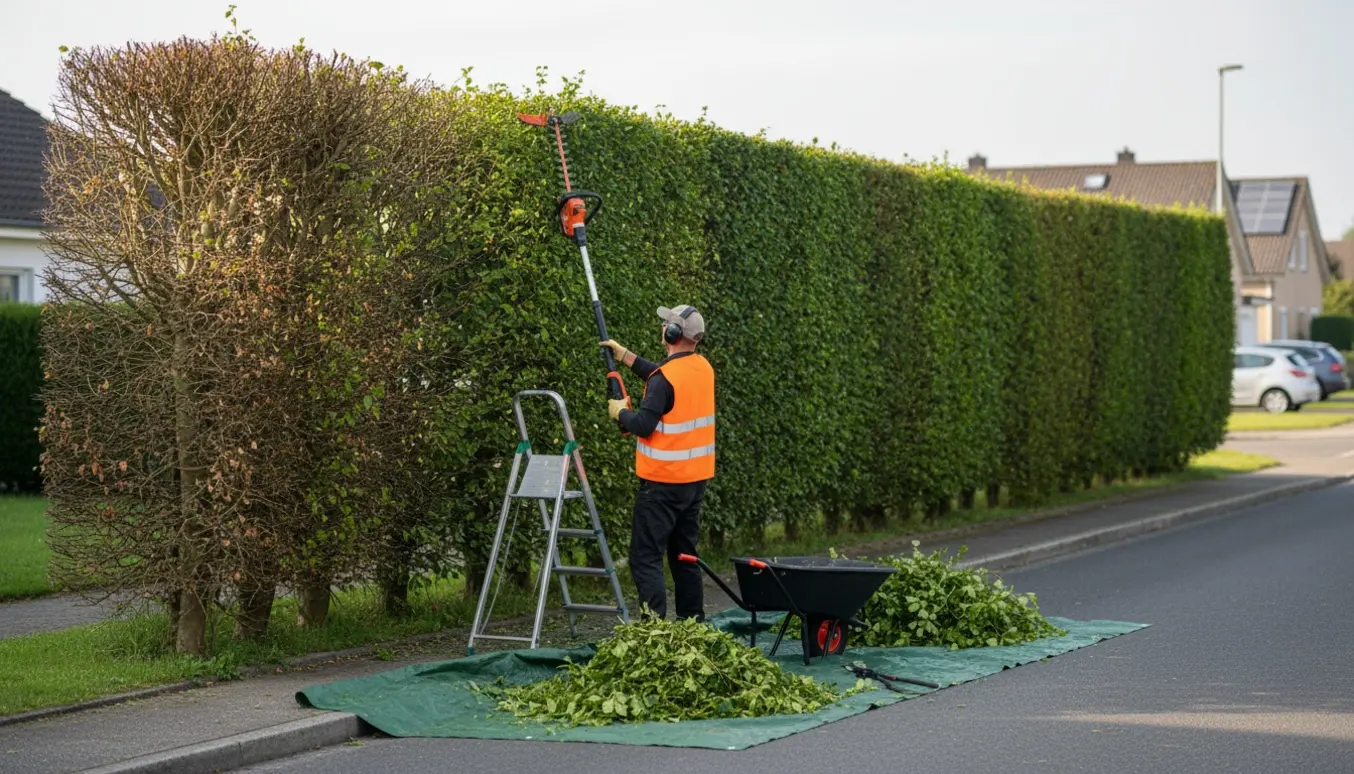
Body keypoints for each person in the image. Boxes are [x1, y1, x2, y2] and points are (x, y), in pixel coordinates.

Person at [601, 304, 715, 621]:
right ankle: (693, 622)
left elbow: (644, 424)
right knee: (684, 556)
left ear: (673, 333)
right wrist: (626, 356)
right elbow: (663, 375)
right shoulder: (703, 367)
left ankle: (656, 631)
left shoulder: (664, 380)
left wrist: (619, 412)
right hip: (694, 483)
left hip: (662, 485)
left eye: (666, 324)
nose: (663, 328)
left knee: (645, 557)